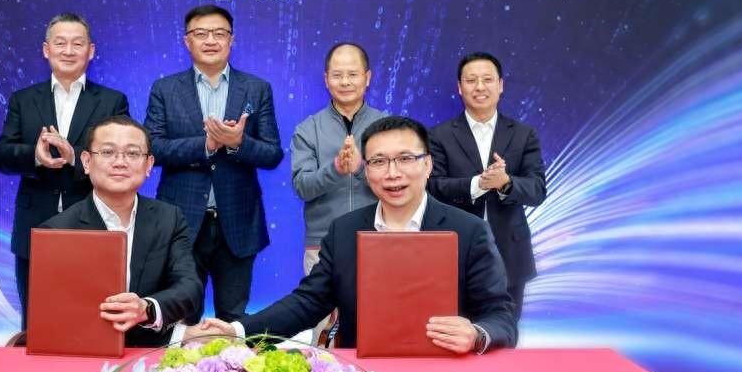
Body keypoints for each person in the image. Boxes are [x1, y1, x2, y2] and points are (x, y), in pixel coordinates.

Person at [200, 116, 517, 354]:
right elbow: (308, 302)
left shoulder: (469, 231)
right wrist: (237, 331)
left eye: (405, 159)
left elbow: (500, 315)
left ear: (428, 165)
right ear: (366, 169)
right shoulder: (344, 230)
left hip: (445, 370)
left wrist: (477, 334)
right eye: (379, 161)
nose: (392, 173)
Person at [144, 5, 284, 323]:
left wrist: (237, 143)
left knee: (233, 319)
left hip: (238, 221)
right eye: (201, 33)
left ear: (231, 40)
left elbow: (272, 153)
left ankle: (231, 359)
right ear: (187, 41)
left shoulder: (256, 88)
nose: (211, 40)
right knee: (182, 318)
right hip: (181, 221)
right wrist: (206, 145)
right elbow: (153, 149)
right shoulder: (165, 89)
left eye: (220, 33)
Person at [0, 13, 129, 327]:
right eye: (60, 43)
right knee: (36, 322)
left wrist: (75, 156)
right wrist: (35, 156)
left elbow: (121, 157)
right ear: (46, 50)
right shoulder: (23, 100)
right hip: (34, 225)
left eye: (77, 44)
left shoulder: (112, 101)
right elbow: (1, 156)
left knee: (94, 319)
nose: (68, 51)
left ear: (90, 51)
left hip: (93, 223)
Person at [40, 115, 202, 346]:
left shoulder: (170, 218)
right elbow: (53, 314)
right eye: (108, 152)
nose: (120, 162)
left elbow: (189, 287)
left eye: (132, 154)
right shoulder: (57, 231)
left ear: (149, 165)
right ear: (86, 162)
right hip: (83, 351)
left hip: (152, 350)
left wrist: (147, 308)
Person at [427, 52, 546, 320]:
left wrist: (506, 183)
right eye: (471, 80)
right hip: (455, 251)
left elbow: (537, 189)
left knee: (505, 332)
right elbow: (432, 187)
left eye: (487, 79)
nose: (479, 87)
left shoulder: (523, 134)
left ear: (500, 85)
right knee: (456, 332)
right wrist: (477, 184)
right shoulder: (438, 135)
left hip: (510, 254)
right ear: (460, 87)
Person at [291, 43, 387, 275]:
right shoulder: (308, 129)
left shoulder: (387, 126)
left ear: (367, 78)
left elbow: (399, 183)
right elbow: (303, 187)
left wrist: (360, 168)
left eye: (353, 74)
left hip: (379, 238)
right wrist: (335, 169)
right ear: (326, 80)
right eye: (337, 75)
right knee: (322, 301)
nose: (345, 82)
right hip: (323, 245)